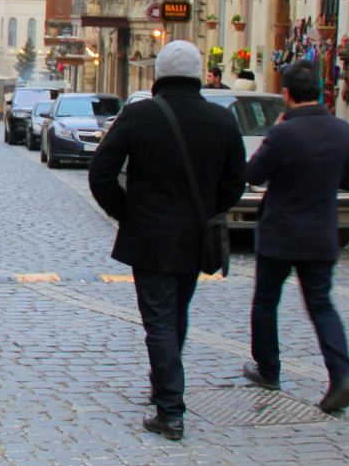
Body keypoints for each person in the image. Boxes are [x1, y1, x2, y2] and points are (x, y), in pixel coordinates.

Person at [88, 40, 246, 441]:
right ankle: (165, 389)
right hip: (195, 236)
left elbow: (101, 172)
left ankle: (170, 409)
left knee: (159, 319)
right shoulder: (221, 119)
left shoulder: (139, 116)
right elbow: (234, 184)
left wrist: (126, 212)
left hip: (150, 235)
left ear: (159, 74)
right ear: (197, 75)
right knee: (176, 313)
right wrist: (209, 211)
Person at [242, 59, 349, 413]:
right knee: (322, 306)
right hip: (321, 231)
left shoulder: (283, 133)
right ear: (320, 92)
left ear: (287, 95)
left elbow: (255, 174)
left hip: (280, 231)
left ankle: (269, 368)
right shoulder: (345, 131)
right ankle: (342, 375)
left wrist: (273, 136)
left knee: (266, 301)